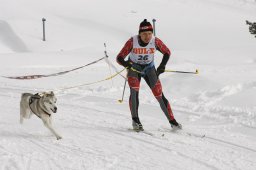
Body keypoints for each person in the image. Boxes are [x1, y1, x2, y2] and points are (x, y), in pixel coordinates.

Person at [116, 19, 182, 131]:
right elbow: (119, 58)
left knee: (159, 95)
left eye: (150, 34)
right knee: (134, 92)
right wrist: (126, 64)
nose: (147, 36)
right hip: (134, 68)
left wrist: (162, 66)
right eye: (144, 34)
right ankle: (135, 121)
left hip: (149, 68)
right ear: (139, 34)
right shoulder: (132, 41)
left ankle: (173, 122)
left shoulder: (155, 41)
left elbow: (167, 52)